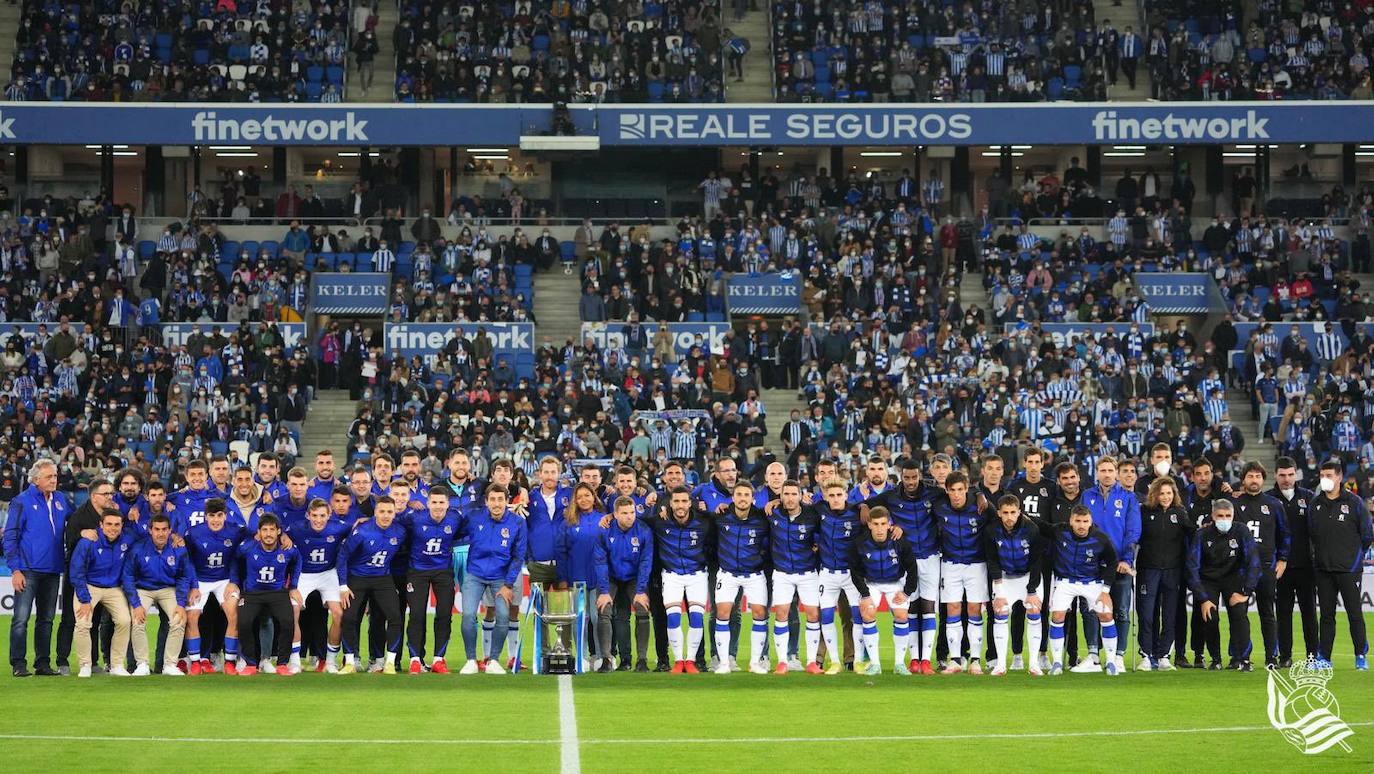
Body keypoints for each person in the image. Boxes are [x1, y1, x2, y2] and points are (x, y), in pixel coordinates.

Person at [857, 459, 941, 672]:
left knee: (928, 608)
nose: (911, 481)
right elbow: (867, 504)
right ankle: (913, 660)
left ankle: (926, 661)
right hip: (906, 559)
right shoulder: (891, 495)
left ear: (919, 475)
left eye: (914, 477)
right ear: (901, 476)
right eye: (907, 477)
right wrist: (863, 505)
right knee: (909, 609)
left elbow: (959, 493)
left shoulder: (933, 493)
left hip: (930, 557)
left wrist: (978, 494)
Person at [4, 459, 71, 677]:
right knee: (21, 619)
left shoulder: (61, 499)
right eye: (49, 476)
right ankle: (18, 663)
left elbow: (77, 520)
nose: (54, 480)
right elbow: (10, 536)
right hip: (27, 569)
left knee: (46, 620)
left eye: (55, 476)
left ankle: (42, 663)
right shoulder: (21, 501)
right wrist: (15, 570)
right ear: (35, 480)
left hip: (53, 569)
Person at [1307, 459, 1373, 669]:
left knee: (1355, 614)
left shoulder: (1354, 503)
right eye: (1322, 476)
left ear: (1339, 477)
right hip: (1323, 570)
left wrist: (1353, 558)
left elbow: (1367, 535)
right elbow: (1312, 534)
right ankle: (1324, 658)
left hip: (1349, 570)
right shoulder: (1315, 504)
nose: (1325, 479)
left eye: (1329, 475)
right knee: (1326, 616)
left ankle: (1360, 655)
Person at [1045, 504, 1123, 676]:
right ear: (1071, 521)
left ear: (1091, 522)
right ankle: (1057, 662)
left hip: (1093, 582)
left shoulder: (1100, 538)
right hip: (1065, 582)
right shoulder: (1060, 531)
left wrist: (1105, 591)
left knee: (1106, 615)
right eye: (1078, 521)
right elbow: (1040, 526)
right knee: (1057, 616)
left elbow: (1112, 562)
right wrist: (1021, 516)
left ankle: (1111, 662)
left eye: (1085, 521)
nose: (1081, 525)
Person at [456, 485, 526, 674]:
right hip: (474, 574)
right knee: (468, 615)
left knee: (503, 616)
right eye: (492, 499)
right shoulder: (474, 517)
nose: (496, 504)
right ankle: (471, 660)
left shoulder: (518, 523)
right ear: (486, 501)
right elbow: (454, 534)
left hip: (501, 578)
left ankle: (494, 660)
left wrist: (508, 584)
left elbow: (518, 556)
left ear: (507, 501)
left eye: (500, 499)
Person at [1186, 499, 1261, 671]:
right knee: (1210, 616)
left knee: (1239, 614)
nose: (1224, 519)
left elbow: (1253, 562)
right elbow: (1192, 567)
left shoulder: (1242, 531)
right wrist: (1203, 598)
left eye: (1228, 516)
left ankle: (1242, 659)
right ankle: (1215, 659)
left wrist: (1246, 592)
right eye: (1220, 516)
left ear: (1233, 516)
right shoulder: (1201, 535)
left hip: (1233, 578)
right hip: (1208, 580)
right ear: (1213, 516)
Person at [1081, 456, 1141, 673]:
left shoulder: (1128, 497)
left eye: (1110, 470)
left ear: (1116, 473)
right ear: (1097, 472)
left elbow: (1133, 531)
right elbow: (1081, 527)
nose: (1107, 474)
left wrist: (1126, 559)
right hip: (1092, 564)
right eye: (1103, 470)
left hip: (1119, 564)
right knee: (1090, 609)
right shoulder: (1087, 496)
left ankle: (1118, 656)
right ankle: (1093, 654)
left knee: (1121, 610)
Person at [337, 496, 407, 674]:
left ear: (395, 513)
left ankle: (389, 663)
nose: (385, 515)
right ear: (375, 512)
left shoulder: (400, 532)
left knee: (395, 617)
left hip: (382, 578)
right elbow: (343, 556)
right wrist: (343, 586)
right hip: (357, 578)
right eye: (382, 511)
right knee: (349, 617)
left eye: (389, 512)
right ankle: (350, 662)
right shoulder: (362, 531)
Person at [849, 506, 921, 675]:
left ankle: (899, 664)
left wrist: (906, 592)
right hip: (871, 583)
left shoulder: (900, 542)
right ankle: (875, 664)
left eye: (883, 524)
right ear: (869, 524)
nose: (880, 529)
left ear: (889, 524)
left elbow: (912, 569)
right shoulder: (860, 543)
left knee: (901, 615)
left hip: (895, 583)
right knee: (868, 614)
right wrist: (865, 595)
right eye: (876, 524)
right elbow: (855, 572)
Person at [1231, 461, 1290, 667]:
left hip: (1266, 567)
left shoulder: (1274, 504)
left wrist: (1283, 559)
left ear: (1263, 479)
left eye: (1257, 476)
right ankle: (1241, 657)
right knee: (1239, 614)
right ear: (1243, 480)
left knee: (1267, 613)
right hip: (1241, 567)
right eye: (1250, 476)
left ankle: (1271, 657)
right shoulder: (1234, 503)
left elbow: (1285, 534)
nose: (1254, 480)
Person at [648, 486, 712, 673]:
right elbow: (636, 520)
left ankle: (690, 660)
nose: (680, 505)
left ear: (690, 503)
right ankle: (678, 661)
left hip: (697, 575)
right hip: (671, 575)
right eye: (676, 501)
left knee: (697, 617)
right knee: (673, 616)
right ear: (670, 503)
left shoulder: (703, 521)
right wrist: (609, 517)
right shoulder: (660, 521)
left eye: (684, 501)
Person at [69, 508, 138, 677]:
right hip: (89, 585)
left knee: (124, 620)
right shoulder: (88, 542)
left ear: (122, 525)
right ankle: (85, 665)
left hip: (114, 587)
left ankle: (116, 665)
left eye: (117, 525)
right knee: (83, 622)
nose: (113, 528)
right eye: (109, 524)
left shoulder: (127, 540)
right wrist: (85, 599)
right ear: (101, 524)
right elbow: (77, 571)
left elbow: (146, 538)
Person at [230, 514, 302, 676]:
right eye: (265, 530)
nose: (268, 534)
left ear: (278, 531)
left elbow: (298, 560)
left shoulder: (288, 549)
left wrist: (293, 586)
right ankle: (250, 664)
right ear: (259, 532)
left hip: (277, 593)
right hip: (252, 593)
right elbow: (235, 559)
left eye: (272, 530)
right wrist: (234, 581)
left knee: (287, 621)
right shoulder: (247, 547)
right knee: (244, 622)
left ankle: (282, 664)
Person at [1005, 447, 1056, 672]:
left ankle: (1042, 653)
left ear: (1042, 464)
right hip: (1018, 556)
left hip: (1043, 556)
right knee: (1018, 607)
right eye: (1030, 462)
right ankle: (1017, 655)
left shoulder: (1051, 487)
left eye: (1037, 462)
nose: (1034, 466)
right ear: (1024, 463)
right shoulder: (1014, 487)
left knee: (1040, 606)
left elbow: (1053, 521)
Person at [285, 496, 350, 672]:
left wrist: (364, 521)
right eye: (314, 515)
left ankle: (330, 661)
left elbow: (356, 529)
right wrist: (283, 537)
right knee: (293, 611)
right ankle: (295, 661)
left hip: (328, 574)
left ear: (329, 515)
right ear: (308, 515)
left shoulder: (339, 527)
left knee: (338, 614)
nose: (318, 520)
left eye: (322, 515)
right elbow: (279, 531)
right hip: (304, 574)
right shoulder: (297, 528)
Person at [712, 481, 771, 674]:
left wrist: (776, 501)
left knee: (759, 614)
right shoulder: (721, 517)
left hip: (754, 574)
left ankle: (755, 663)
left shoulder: (762, 518)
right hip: (727, 573)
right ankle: (724, 663)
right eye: (739, 495)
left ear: (752, 499)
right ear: (733, 498)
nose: (743, 498)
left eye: (746, 495)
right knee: (722, 613)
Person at [933, 471, 989, 674]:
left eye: (960, 490)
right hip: (950, 564)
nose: (956, 494)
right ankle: (955, 660)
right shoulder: (939, 506)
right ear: (946, 491)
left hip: (976, 564)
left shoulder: (981, 507)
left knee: (974, 609)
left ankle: (975, 660)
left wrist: (979, 494)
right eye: (952, 490)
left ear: (966, 489)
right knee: (953, 608)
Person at [184, 497, 248, 675]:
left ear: (225, 516)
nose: (216, 520)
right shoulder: (193, 533)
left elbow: (256, 536)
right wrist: (193, 585)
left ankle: (230, 662)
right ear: (206, 516)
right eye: (212, 516)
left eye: (219, 515)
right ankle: (195, 662)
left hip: (225, 580)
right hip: (200, 580)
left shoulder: (236, 530)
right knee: (192, 617)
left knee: (233, 614)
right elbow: (188, 561)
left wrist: (234, 581)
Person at [984, 495, 1046, 676]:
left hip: (1028, 577)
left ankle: (1033, 664)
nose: (1009, 517)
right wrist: (999, 590)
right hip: (1004, 578)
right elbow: (992, 561)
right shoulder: (991, 531)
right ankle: (1001, 664)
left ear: (1019, 512)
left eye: (1013, 512)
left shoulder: (1031, 529)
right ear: (999, 513)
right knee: (1000, 612)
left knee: (1034, 611)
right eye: (1005, 513)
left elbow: (1036, 562)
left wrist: (1032, 591)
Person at [1135, 477, 1192, 671]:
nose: (1166, 497)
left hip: (1173, 571)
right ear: (1154, 494)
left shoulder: (1180, 513)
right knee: (1146, 615)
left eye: (1169, 493)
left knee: (1169, 615)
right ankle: (1146, 655)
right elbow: (1135, 535)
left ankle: (1164, 656)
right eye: (1162, 493)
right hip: (1148, 570)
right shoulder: (1144, 511)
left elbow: (1193, 535)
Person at [765, 480, 823, 674]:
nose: (790, 498)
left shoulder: (812, 515)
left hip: (808, 573)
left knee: (813, 615)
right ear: (780, 496)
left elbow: (822, 535)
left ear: (800, 496)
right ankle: (782, 662)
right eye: (786, 494)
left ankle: (811, 662)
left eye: (793, 494)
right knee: (781, 613)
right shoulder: (773, 513)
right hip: (782, 573)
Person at [126, 512, 194, 676]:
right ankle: (142, 664)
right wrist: (136, 604)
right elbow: (128, 576)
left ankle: (170, 664)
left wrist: (181, 603)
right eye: (157, 529)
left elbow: (184, 576)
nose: (161, 533)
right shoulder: (138, 548)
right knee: (137, 620)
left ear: (170, 531)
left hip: (167, 589)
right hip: (143, 588)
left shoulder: (178, 549)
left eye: (164, 529)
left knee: (179, 619)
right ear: (150, 530)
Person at [403, 489, 462, 674]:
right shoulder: (414, 518)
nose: (437, 507)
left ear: (448, 504)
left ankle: (438, 659)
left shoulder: (456, 518)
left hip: (443, 571)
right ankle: (415, 660)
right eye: (434, 502)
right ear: (428, 503)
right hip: (417, 571)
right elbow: (394, 525)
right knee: (417, 615)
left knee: (444, 614)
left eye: (441, 502)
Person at [595, 496, 655, 672]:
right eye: (624, 513)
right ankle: (606, 659)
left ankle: (642, 660)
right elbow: (600, 562)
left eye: (632, 512)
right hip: (611, 577)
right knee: (603, 609)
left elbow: (646, 561)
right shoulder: (604, 531)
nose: (630, 516)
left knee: (642, 609)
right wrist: (604, 591)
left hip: (634, 577)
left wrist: (641, 590)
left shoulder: (644, 531)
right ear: (615, 514)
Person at [1271, 457, 1318, 667]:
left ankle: (1312, 657)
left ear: (1296, 474)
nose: (1287, 479)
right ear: (1275, 475)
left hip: (1306, 567)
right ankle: (1285, 657)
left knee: (1309, 614)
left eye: (1290, 474)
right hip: (1280, 568)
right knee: (1283, 615)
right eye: (1282, 475)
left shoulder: (1308, 497)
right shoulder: (1268, 499)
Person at [815, 480, 864, 674]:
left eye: (839, 495)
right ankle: (835, 662)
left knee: (856, 617)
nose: (835, 499)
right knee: (826, 616)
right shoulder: (819, 510)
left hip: (851, 575)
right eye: (831, 495)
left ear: (846, 495)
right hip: (827, 574)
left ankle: (857, 660)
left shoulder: (856, 513)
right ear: (826, 497)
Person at [555, 483, 606, 668]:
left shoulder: (604, 519)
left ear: (594, 497)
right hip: (577, 579)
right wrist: (562, 579)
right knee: (580, 618)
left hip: (599, 579)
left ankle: (600, 656)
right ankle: (581, 657)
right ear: (575, 501)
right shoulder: (568, 522)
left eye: (587, 495)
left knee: (597, 618)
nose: (584, 499)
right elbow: (561, 552)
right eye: (579, 497)